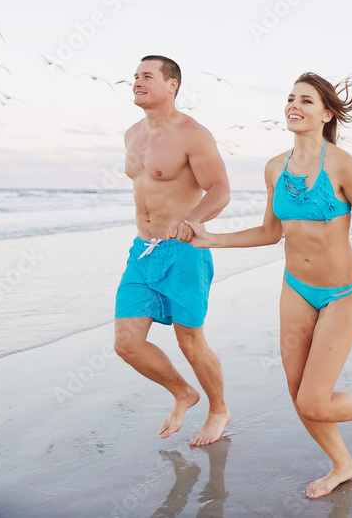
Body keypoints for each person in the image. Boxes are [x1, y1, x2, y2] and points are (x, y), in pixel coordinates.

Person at [188, 72, 352, 499]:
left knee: (314, 402)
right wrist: (211, 238)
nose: (293, 106)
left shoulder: (341, 165)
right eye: (290, 98)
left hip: (341, 295)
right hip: (296, 288)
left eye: (306, 101)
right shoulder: (274, 168)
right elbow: (269, 232)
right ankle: (342, 464)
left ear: (326, 114)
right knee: (298, 393)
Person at [114, 54, 232, 446]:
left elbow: (220, 190)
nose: (137, 82)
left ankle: (218, 409)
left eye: (147, 76)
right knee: (127, 343)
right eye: (134, 76)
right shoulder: (132, 134)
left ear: (172, 85)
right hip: (143, 252)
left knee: (190, 340)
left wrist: (192, 220)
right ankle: (183, 393)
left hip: (184, 251)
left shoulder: (192, 134)